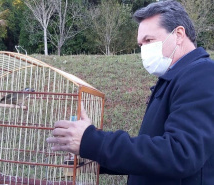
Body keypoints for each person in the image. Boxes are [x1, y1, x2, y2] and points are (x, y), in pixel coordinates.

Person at [47, 0, 214, 184]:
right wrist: (92, 154)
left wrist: (93, 142)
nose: (143, 50)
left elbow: (180, 154)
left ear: (179, 34)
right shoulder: (172, 79)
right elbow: (151, 155)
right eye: (141, 44)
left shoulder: (202, 74)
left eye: (149, 40)